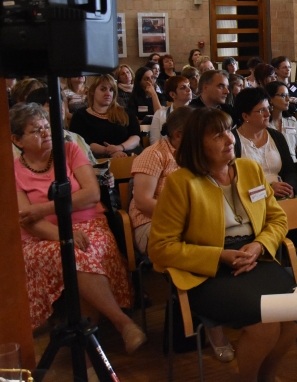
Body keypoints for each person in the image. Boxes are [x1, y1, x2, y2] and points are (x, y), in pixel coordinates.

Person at [149, 108, 297, 381]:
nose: (230, 139)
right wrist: (219, 256)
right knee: (264, 327)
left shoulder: (249, 169)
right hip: (208, 270)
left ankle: (267, 378)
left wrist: (259, 245)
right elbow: (160, 247)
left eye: (228, 131)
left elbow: (277, 219)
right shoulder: (181, 183)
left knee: (295, 317)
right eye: (218, 136)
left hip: (254, 257)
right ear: (197, 144)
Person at [11, 104, 145, 352]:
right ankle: (121, 324)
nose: (46, 132)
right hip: (40, 237)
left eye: (46, 126)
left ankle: (87, 354)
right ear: (17, 140)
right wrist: (64, 235)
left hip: (90, 223)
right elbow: (27, 219)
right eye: (36, 130)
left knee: (82, 252)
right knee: (70, 252)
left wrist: (44, 208)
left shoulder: (70, 150)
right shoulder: (13, 171)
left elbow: (92, 194)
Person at [233, 88, 297, 265]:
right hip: (252, 200)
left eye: (268, 108)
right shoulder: (234, 141)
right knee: (287, 233)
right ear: (245, 116)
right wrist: (268, 190)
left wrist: (290, 188)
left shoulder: (276, 136)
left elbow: (290, 170)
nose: (268, 114)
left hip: (283, 197)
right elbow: (235, 180)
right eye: (261, 110)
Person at [130, 107, 193, 255]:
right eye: (197, 134)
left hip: (188, 220)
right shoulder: (154, 154)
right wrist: (183, 217)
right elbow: (143, 202)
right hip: (152, 222)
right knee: (201, 240)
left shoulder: (193, 154)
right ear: (178, 135)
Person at [69, 75, 141, 158]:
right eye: (103, 89)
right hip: (95, 159)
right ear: (92, 91)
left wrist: (119, 148)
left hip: (127, 155)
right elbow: (82, 142)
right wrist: (107, 151)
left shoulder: (126, 112)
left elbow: (135, 136)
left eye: (111, 90)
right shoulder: (80, 115)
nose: (108, 93)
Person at [20, 88, 96, 164]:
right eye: (50, 104)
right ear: (35, 110)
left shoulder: (76, 137)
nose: (60, 106)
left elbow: (93, 165)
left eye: (61, 102)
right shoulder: (31, 141)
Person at [150, 75, 194, 144]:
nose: (189, 90)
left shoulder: (196, 114)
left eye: (189, 86)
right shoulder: (160, 114)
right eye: (183, 87)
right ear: (173, 94)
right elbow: (154, 142)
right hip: (165, 150)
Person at [265, 81, 297, 163]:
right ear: (270, 99)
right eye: (283, 96)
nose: (288, 99)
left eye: (288, 95)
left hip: (293, 163)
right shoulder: (263, 123)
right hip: (272, 164)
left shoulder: (292, 120)